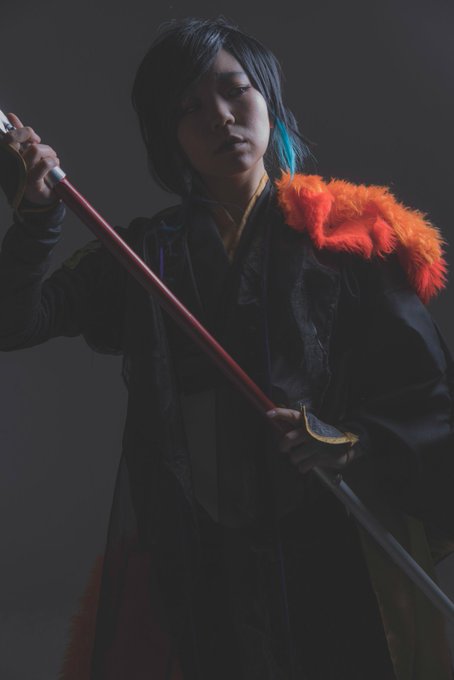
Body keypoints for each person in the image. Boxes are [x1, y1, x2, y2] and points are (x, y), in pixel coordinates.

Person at [0, 16, 453, 680]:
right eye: (188, 108)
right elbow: (16, 321)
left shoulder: (345, 237)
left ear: (267, 97)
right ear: (170, 138)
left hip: (328, 546)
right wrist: (38, 219)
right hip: (203, 563)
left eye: (234, 90)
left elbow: (428, 397)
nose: (218, 116)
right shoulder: (144, 255)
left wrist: (352, 442)